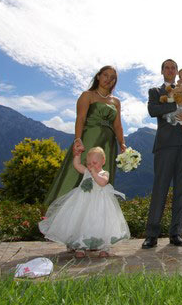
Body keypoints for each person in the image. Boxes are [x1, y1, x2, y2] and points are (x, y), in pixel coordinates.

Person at [142, 59, 182, 249]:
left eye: (173, 68)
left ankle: (176, 233)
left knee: (181, 189)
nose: (170, 70)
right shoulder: (156, 91)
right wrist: (179, 105)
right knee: (160, 188)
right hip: (165, 145)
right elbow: (153, 110)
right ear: (162, 71)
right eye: (166, 67)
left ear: (177, 72)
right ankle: (151, 234)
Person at [44, 66, 126, 205]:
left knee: (101, 174)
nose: (109, 79)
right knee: (77, 171)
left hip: (108, 144)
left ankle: (95, 213)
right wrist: (78, 139)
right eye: (106, 75)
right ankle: (61, 208)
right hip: (89, 139)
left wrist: (122, 143)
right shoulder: (87, 95)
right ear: (98, 76)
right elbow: (80, 118)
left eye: (113, 78)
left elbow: (117, 125)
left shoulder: (116, 102)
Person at [39, 147, 130, 258]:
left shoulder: (104, 173)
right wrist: (77, 155)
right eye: (88, 163)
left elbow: (102, 182)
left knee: (101, 224)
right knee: (81, 223)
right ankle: (80, 246)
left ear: (103, 161)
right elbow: (77, 165)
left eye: (94, 163)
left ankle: (104, 247)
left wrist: (94, 174)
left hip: (100, 205)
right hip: (84, 204)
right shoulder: (87, 171)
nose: (91, 165)